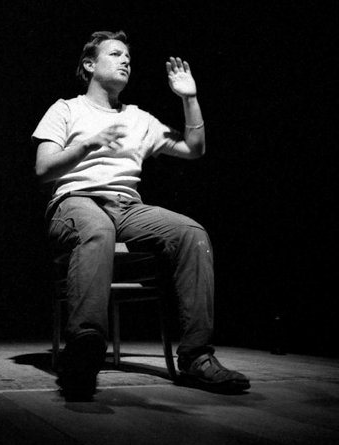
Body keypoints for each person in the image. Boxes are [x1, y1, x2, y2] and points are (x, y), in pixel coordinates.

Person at [32, 30, 250, 399]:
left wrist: (190, 99)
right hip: (76, 200)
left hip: (128, 207)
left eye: (128, 58)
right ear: (89, 65)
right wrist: (87, 144)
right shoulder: (65, 109)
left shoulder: (139, 119)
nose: (125, 61)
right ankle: (85, 349)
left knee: (191, 233)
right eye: (115, 54)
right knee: (97, 230)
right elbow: (43, 170)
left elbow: (194, 148)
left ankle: (196, 356)